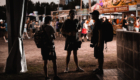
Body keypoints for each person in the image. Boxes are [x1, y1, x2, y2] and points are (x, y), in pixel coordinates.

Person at [41, 16, 61, 80]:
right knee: (54, 61)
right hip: (50, 46)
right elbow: (54, 37)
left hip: (43, 46)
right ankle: (55, 76)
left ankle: (46, 76)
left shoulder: (41, 27)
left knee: (45, 61)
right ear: (49, 21)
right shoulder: (50, 27)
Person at [90, 10, 104, 74]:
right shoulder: (97, 22)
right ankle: (99, 68)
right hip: (97, 41)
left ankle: (100, 69)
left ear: (96, 15)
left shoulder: (98, 22)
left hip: (99, 42)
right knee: (98, 55)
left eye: (93, 14)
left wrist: (99, 42)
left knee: (100, 55)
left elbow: (100, 32)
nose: (92, 15)